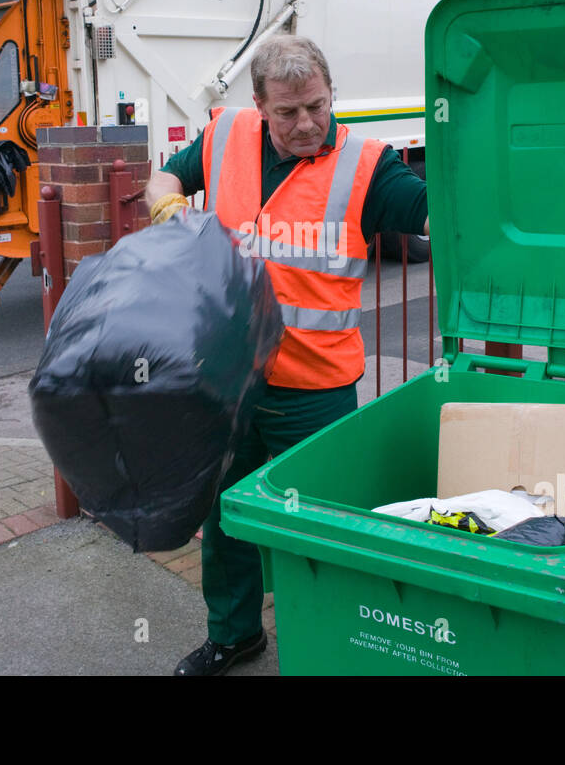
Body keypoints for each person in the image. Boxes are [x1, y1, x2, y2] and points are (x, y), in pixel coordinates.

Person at [144, 34, 429, 676]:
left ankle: (335, 647)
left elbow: (435, 211)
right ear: (259, 105)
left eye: (318, 107)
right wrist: (164, 202)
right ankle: (236, 635)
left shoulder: (367, 166)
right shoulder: (224, 139)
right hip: (230, 378)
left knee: (322, 528)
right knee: (226, 517)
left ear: (333, 96)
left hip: (317, 389)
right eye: (288, 112)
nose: (307, 124)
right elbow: (166, 177)